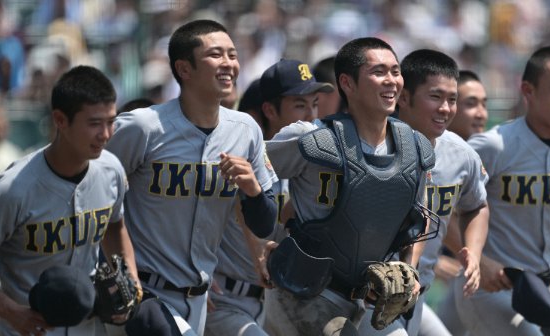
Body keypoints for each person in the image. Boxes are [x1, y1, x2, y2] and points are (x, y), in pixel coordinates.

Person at [105, 19, 277, 335]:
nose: (229, 63)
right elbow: (91, 184)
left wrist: (253, 191)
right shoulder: (144, 127)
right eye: (216, 54)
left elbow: (264, 223)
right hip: (143, 293)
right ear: (184, 69)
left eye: (233, 54)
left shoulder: (245, 131)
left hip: (199, 299)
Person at [263, 37, 435, 336]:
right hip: (302, 293)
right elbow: (242, 179)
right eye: (379, 71)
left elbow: (416, 222)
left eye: (395, 71)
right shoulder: (311, 139)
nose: (391, 80)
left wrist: (409, 267)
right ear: (348, 83)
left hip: (366, 298)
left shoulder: (414, 150)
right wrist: (256, 246)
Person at [0, 65, 139, 336]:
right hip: (27, 330)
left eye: (110, 121)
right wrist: (10, 312)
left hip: (89, 328)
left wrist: (131, 278)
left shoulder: (111, 170)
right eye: (94, 123)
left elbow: (115, 226)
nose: (106, 134)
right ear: (60, 120)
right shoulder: (14, 189)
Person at [455, 46, 550, 336]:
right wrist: (477, 259)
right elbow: (442, 210)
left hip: (543, 290)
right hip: (490, 288)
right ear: (528, 90)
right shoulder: (494, 146)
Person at [357, 49, 489, 336]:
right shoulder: (371, 148)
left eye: (452, 99)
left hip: (417, 292)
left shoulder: (460, 153)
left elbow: (476, 205)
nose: (445, 108)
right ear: (404, 97)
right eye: (435, 97)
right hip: (371, 292)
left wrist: (474, 254)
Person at [206, 58, 331, 336]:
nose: (311, 116)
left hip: (272, 303)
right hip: (224, 298)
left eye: (314, 104)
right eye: (300, 105)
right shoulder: (237, 158)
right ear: (269, 110)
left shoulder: (306, 167)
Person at [435, 69, 490, 336]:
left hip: (475, 276)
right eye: (470, 103)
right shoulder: (420, 149)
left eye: (484, 103)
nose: (481, 113)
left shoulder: (487, 151)